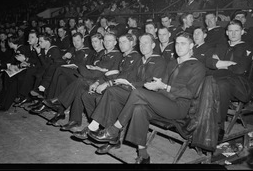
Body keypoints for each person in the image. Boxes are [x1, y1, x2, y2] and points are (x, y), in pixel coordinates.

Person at [84, 32, 206, 164]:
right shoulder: (171, 63)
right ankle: (143, 154)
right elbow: (160, 85)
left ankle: (114, 129)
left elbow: (190, 93)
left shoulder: (197, 66)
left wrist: (165, 87)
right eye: (177, 43)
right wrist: (155, 86)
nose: (179, 47)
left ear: (191, 46)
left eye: (183, 44)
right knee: (138, 107)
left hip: (179, 107)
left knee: (137, 93)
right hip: (164, 100)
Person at [38, 32, 122, 125]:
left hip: (97, 79)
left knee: (67, 72)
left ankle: (57, 100)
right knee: (64, 79)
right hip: (89, 76)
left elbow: (112, 72)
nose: (106, 43)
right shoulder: (100, 52)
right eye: (105, 40)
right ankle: (70, 118)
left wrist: (97, 70)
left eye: (109, 41)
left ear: (115, 42)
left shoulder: (117, 55)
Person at [206, 20, 253, 142]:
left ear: (242, 32)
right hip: (221, 79)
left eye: (237, 31)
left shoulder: (246, 47)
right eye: (231, 31)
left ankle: (219, 126)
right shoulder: (221, 45)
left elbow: (239, 69)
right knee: (206, 79)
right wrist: (227, 63)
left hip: (239, 85)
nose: (233, 34)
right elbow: (209, 62)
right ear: (227, 32)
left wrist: (220, 63)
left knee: (221, 84)